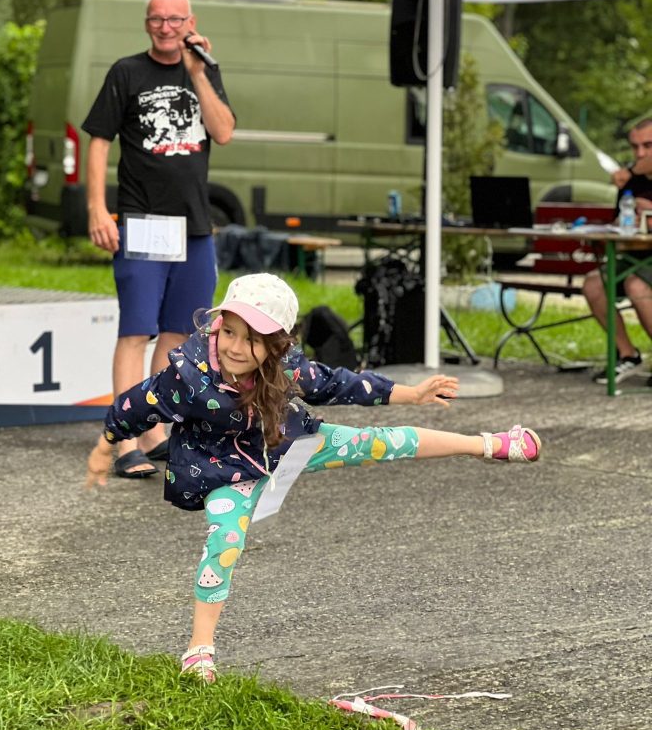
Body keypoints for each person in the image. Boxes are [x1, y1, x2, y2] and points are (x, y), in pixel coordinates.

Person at [85, 273, 542, 683]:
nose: (235, 347)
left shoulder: (287, 368)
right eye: (229, 331)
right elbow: (134, 406)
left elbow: (342, 384)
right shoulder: (188, 377)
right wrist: (106, 447)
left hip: (290, 447)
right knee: (225, 542)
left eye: (252, 339)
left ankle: (487, 445)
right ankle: (199, 650)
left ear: (277, 344)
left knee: (384, 442)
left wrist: (413, 394)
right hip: (225, 472)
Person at [83, 0, 235, 479]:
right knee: (136, 331)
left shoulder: (203, 70)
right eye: (157, 19)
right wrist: (97, 209)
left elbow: (223, 131)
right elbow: (99, 141)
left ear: (191, 22)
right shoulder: (127, 72)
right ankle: (123, 439)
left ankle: (153, 431)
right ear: (147, 23)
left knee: (177, 334)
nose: (166, 27)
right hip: (144, 221)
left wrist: (198, 73)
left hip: (194, 226)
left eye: (175, 19)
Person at [582, 118, 652, 385]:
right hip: (637, 256)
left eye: (648, 146)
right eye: (635, 147)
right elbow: (618, 225)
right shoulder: (631, 181)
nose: (640, 153)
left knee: (636, 284)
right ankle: (628, 354)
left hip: (643, 265)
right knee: (594, 284)